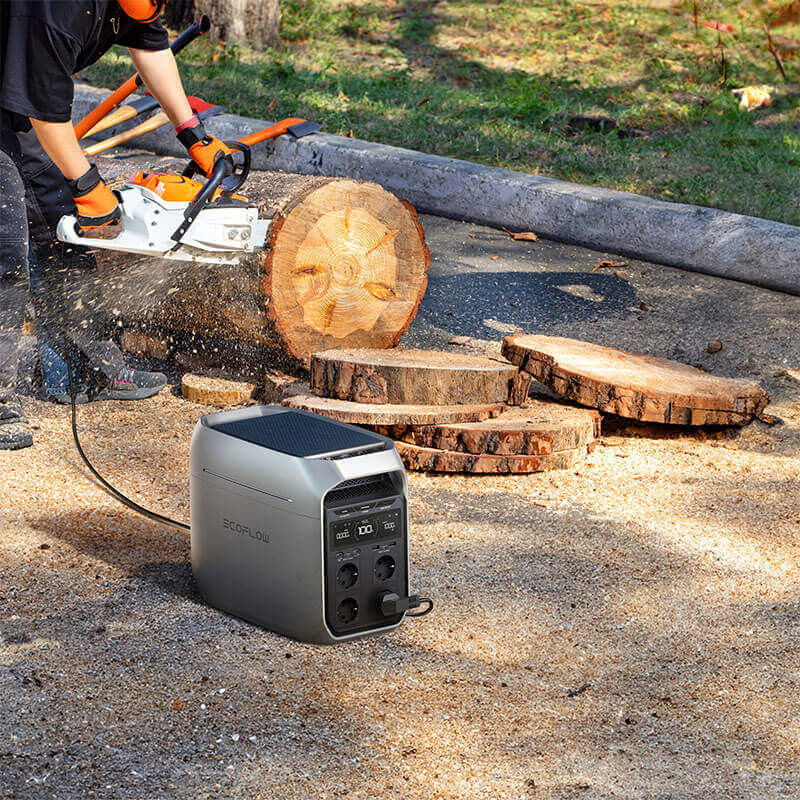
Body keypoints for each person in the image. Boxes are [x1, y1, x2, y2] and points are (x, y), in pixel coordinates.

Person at [0, 0, 234, 449]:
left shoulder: (139, 3)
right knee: (6, 249)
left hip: (19, 100)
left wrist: (193, 133)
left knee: (59, 225)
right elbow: (47, 112)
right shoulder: (57, 11)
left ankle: (84, 371)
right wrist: (88, 184)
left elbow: (152, 46)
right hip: (24, 100)